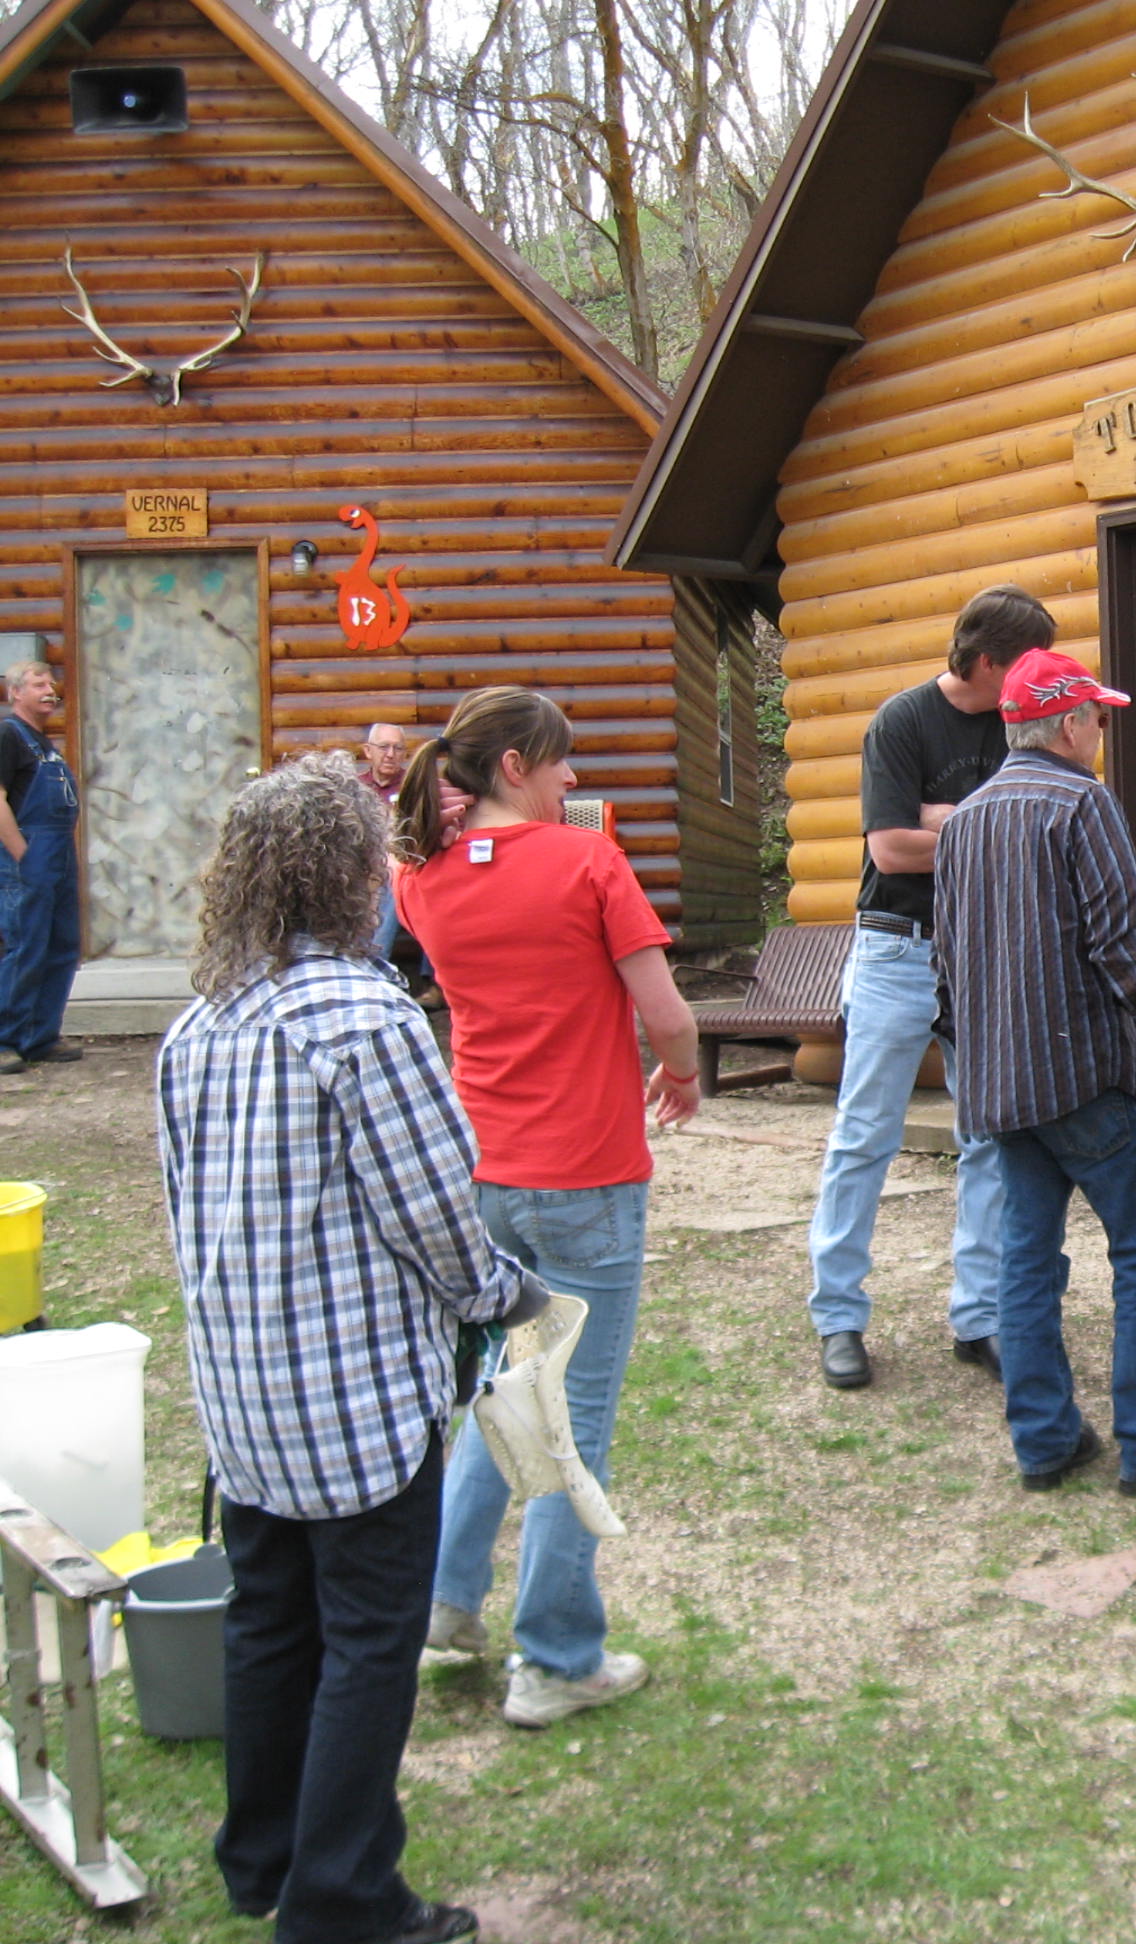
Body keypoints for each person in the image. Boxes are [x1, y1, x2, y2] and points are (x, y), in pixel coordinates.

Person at [158, 754, 546, 1944]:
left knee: (269, 1618)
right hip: (354, 1397)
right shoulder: (366, 1016)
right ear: (346, 874)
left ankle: (262, 1856)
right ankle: (341, 1898)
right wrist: (503, 1294)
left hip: (243, 1393)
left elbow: (182, 1209)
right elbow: (436, 1213)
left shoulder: (199, 1021)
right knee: (371, 1639)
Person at [393, 686, 700, 1729]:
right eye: (561, 760)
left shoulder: (420, 878)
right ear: (515, 766)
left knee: (503, 1387)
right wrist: (682, 1076)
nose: (574, 777)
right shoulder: (587, 861)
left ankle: (444, 1601)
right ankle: (557, 1659)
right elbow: (667, 1012)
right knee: (572, 1420)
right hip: (586, 1178)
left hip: (485, 1177)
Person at [932, 648, 1136, 1496]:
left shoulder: (962, 824)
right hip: (1090, 1080)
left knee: (1026, 1263)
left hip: (1003, 1090)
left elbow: (946, 965)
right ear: (1068, 725)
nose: (1102, 730)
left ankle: (1044, 1443)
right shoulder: (1083, 802)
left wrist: (976, 1067)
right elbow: (1121, 949)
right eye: (1098, 717)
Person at [808, 585, 1054, 1391]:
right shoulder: (903, 722)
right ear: (986, 662)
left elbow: (1034, 825)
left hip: (983, 951)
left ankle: (980, 1318)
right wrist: (972, 823)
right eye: (1024, 664)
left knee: (989, 1136)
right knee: (865, 1135)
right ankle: (838, 1317)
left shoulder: (1019, 723)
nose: (1036, 679)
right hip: (896, 947)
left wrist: (945, 817)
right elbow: (890, 851)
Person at [0, 655, 82, 1074]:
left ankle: (40, 1036)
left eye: (51, 685)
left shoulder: (43, 744)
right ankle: (5, 1040)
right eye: (38, 685)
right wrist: (23, 855)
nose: (50, 692)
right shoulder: (8, 734)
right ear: (15, 692)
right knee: (25, 945)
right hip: (28, 857)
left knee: (62, 945)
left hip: (58, 857)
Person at [360, 724, 409, 959]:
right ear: (367, 751)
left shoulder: (415, 785)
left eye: (398, 748)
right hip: (361, 864)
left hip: (404, 863)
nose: (390, 754)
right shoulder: (354, 788)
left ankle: (374, 960)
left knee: (391, 877)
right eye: (384, 747)